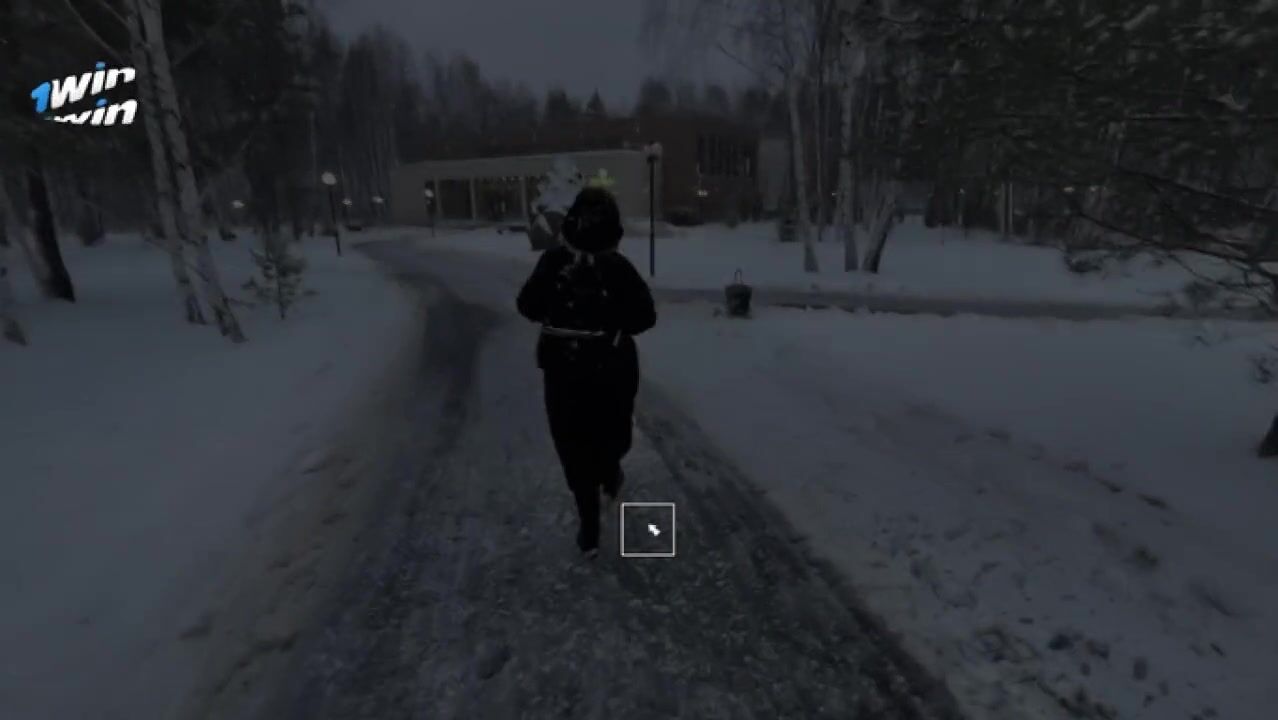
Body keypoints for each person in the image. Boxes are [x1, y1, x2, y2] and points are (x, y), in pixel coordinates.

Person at [516, 187, 657, 557]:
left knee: (588, 441)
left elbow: (644, 317)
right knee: (587, 440)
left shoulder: (605, 267)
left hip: (588, 368)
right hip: (584, 367)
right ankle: (594, 507)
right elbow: (527, 305)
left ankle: (600, 489)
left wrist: (596, 311)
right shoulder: (568, 263)